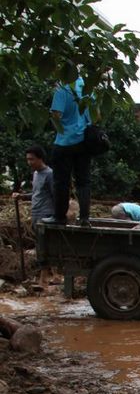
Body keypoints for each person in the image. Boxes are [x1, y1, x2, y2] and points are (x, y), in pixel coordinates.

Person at [42, 76, 93, 227]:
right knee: (84, 181)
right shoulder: (87, 87)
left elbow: (56, 115)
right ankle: (84, 218)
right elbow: (94, 114)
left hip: (65, 141)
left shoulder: (62, 88)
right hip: (84, 141)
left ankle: (59, 217)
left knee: (61, 182)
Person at [12, 146, 58, 286]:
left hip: (46, 215)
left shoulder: (49, 174)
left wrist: (57, 215)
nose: (29, 162)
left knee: (45, 246)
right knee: (40, 244)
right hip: (36, 213)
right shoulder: (36, 174)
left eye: (31, 159)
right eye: (27, 159)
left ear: (40, 158)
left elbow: (55, 195)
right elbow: (36, 194)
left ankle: (45, 278)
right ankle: (52, 275)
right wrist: (22, 196)